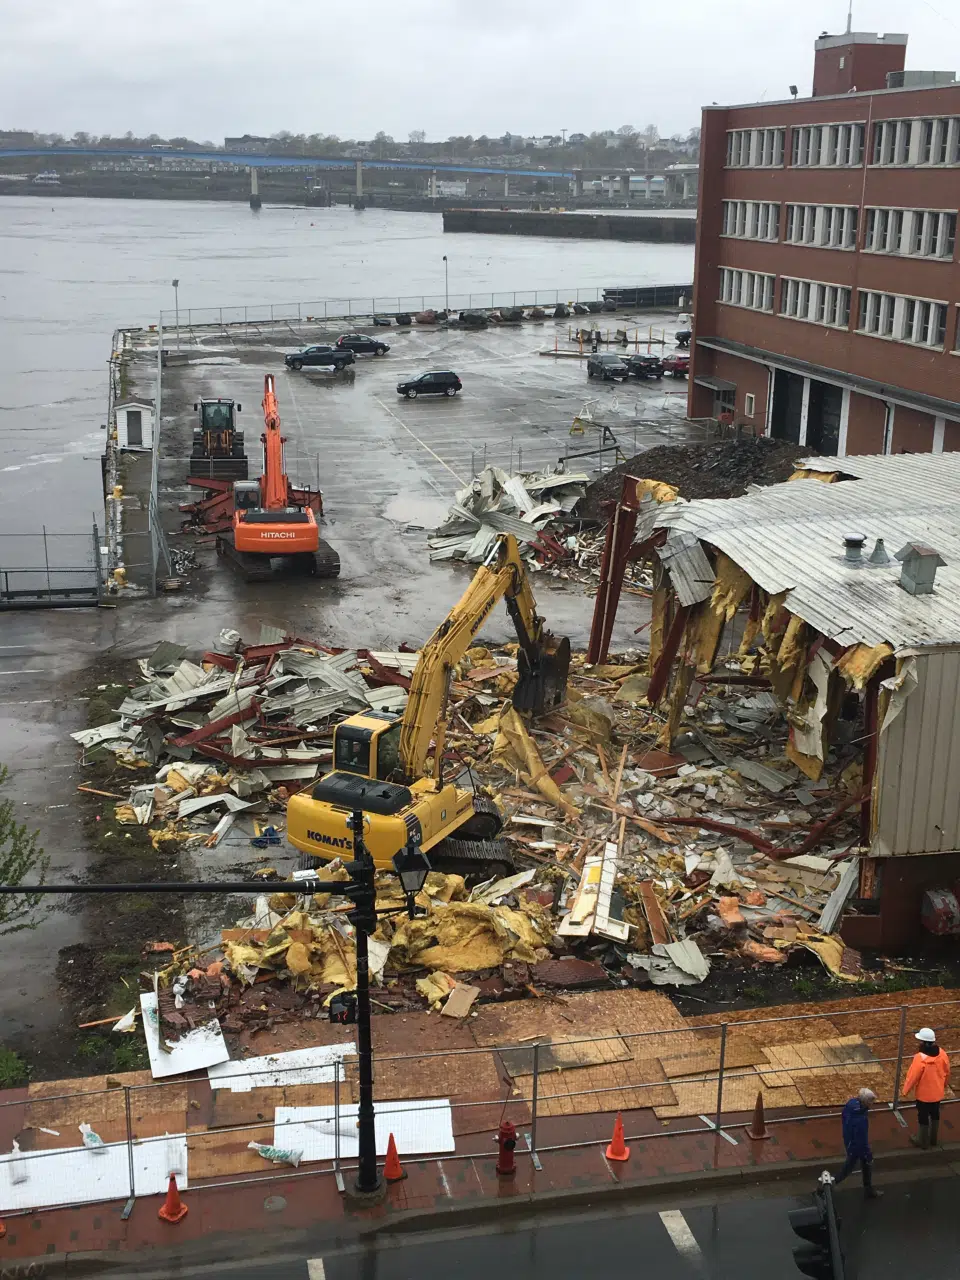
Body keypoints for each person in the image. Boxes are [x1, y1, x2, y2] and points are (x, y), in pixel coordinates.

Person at [902, 1027, 950, 1149]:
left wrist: (905, 1090)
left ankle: (921, 1141)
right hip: (937, 1092)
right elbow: (947, 1071)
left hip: (924, 1094)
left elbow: (913, 1076)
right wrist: (944, 1084)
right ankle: (933, 1139)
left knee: (922, 1116)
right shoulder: (942, 1053)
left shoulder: (920, 1058)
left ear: (923, 1042)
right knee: (935, 1114)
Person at [835, 1088, 882, 1198]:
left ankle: (868, 1189)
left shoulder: (851, 1105)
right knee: (850, 1168)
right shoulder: (860, 1119)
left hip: (849, 1141)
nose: (872, 1104)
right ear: (865, 1102)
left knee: (860, 1166)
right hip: (855, 1147)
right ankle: (826, 1186)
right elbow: (862, 1140)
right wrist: (868, 1155)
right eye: (871, 1101)